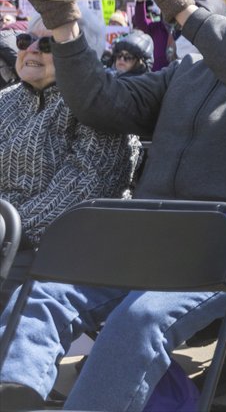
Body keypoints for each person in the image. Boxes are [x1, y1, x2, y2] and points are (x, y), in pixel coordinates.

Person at [0, 0, 226, 412]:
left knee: (139, 320)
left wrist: (180, 7)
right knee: (42, 295)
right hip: (151, 235)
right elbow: (102, 102)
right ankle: (14, 396)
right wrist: (62, 27)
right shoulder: (188, 73)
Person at [0, 17, 141, 305]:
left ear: (80, 52)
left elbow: (84, 186)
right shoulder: (7, 100)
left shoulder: (99, 102)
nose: (32, 50)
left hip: (57, 245)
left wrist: (8, 230)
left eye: (48, 43)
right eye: (26, 41)